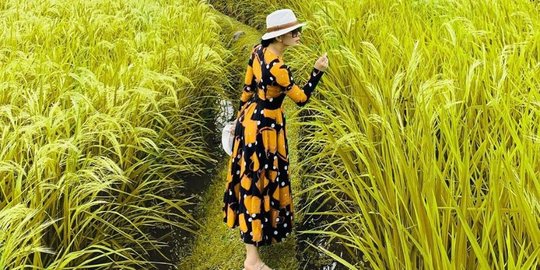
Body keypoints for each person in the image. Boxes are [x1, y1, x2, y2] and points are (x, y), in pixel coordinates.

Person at [222, 8, 329, 270]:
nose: (298, 35)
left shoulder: (257, 52)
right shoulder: (279, 68)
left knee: (251, 180)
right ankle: (252, 261)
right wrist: (317, 72)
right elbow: (301, 99)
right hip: (266, 130)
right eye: (294, 31)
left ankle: (259, 238)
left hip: (251, 123)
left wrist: (240, 121)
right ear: (280, 37)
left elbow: (247, 91)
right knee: (258, 184)